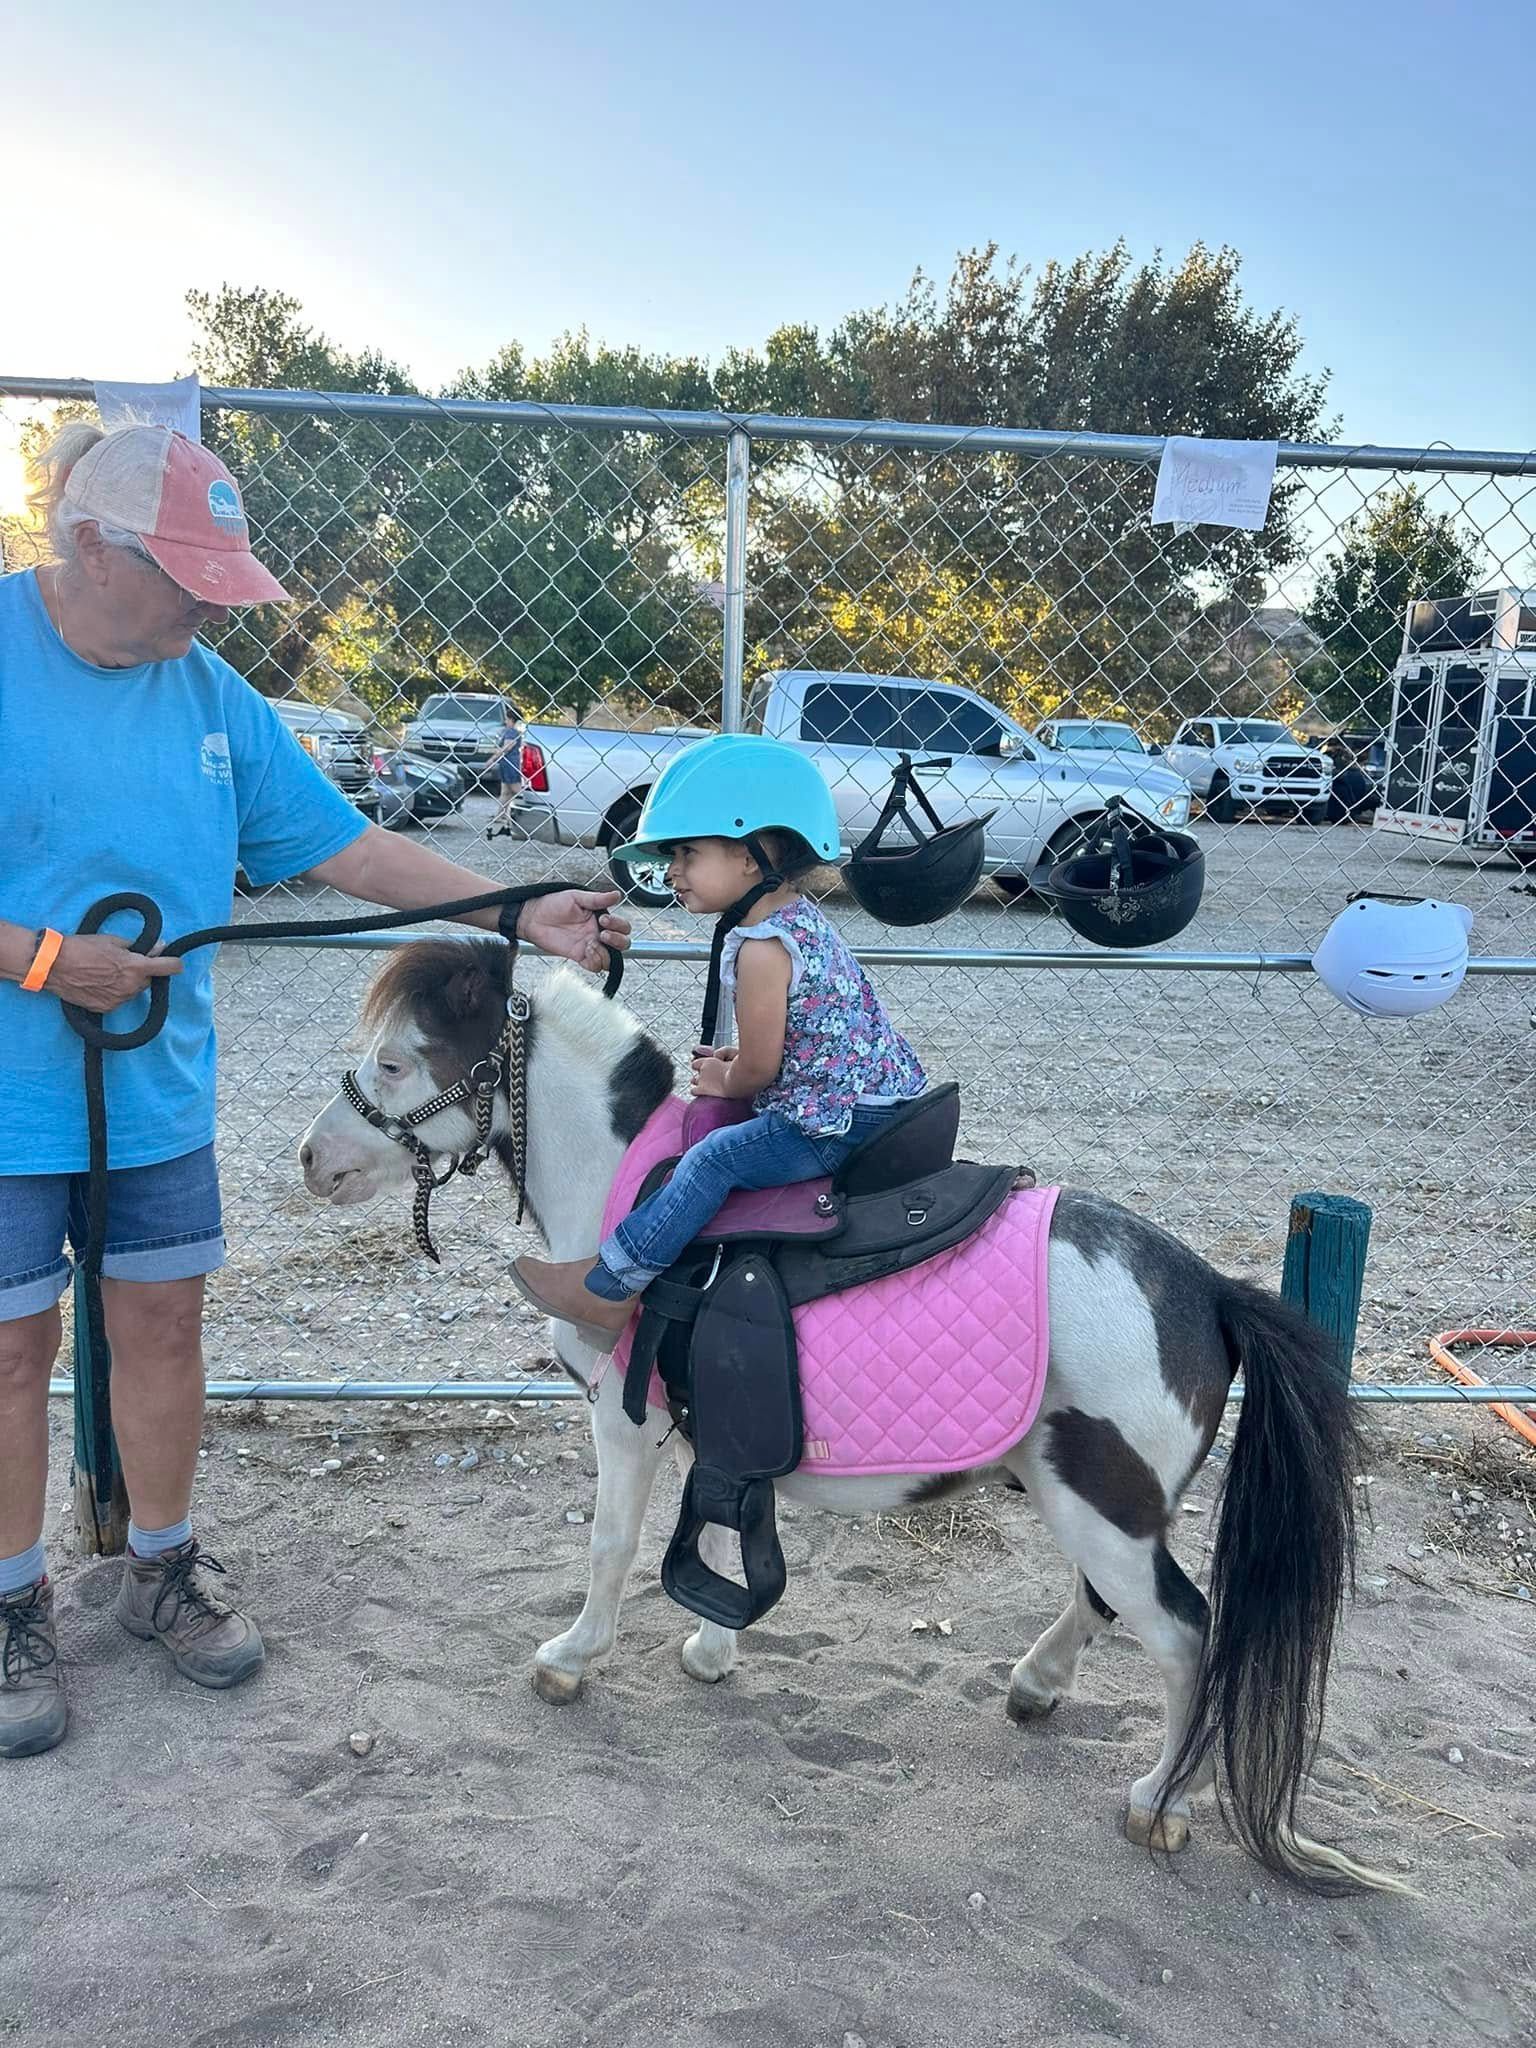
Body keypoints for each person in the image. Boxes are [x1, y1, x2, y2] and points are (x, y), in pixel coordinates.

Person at [0, 421, 628, 1760]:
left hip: (152, 1092)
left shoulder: (210, 692)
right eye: (185, 574)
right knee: (8, 1352)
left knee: (164, 1331)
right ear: (87, 542)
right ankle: (10, 1606)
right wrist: (47, 959)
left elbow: (352, 849)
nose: (208, 602)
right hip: (7, 1101)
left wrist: (521, 909)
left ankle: (160, 1565)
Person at [511, 735, 928, 1347]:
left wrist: (723, 1079)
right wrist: (747, 1066)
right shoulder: (800, 921)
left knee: (714, 1159)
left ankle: (611, 1286)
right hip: (868, 1096)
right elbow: (808, 1035)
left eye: (686, 851)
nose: (671, 869)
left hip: (835, 1123)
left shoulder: (763, 948)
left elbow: (759, 1069)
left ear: (754, 855)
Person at [485, 708, 525, 837]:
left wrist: (492, 759)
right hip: (507, 764)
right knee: (505, 792)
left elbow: (506, 748)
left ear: (511, 720)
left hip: (510, 764)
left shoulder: (511, 732)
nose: (505, 721)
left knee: (517, 790)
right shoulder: (512, 732)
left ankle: (525, 813)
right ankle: (500, 815)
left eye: (507, 719)